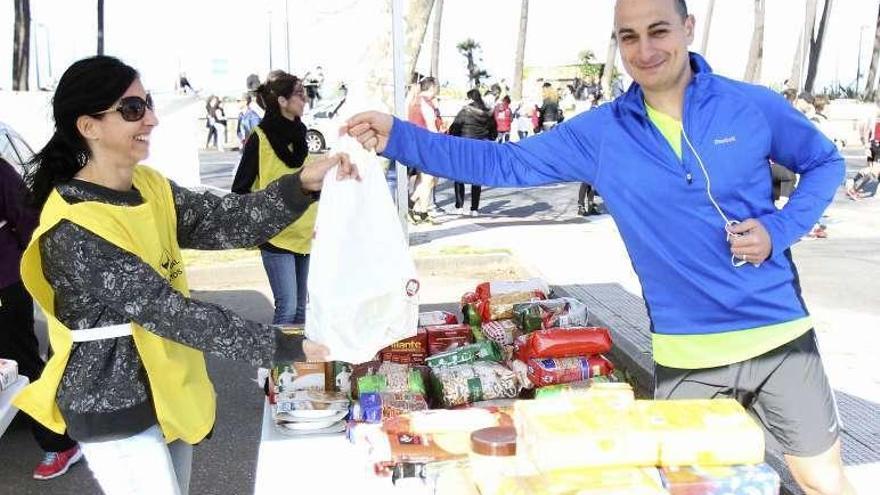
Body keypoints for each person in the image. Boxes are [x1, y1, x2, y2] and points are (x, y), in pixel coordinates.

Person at [345, 1, 854, 493]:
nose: (645, 49)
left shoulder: (751, 105)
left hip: (781, 337)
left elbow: (825, 162)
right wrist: (400, 138)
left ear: (688, 28)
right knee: (691, 490)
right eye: (628, 36)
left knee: (821, 482)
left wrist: (779, 231)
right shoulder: (602, 133)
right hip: (689, 355)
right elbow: (503, 164)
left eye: (659, 30)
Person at [14, 55, 354, 495]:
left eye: (148, 104)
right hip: (113, 405)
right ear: (88, 126)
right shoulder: (75, 226)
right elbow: (170, 312)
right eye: (133, 109)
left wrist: (302, 185)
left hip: (168, 389)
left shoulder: (150, 186)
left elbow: (226, 220)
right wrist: (288, 346)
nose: (152, 119)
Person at [1, 157, 82, 480]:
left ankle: (60, 443)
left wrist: (27, 264)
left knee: (20, 364)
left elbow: (27, 217)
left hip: (5, 282)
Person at [232, 71, 325, 326]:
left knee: (301, 311)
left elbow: (308, 183)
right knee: (287, 307)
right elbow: (240, 190)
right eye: (299, 94)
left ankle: (300, 366)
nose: (305, 99)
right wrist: (262, 218)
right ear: (282, 101)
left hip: (304, 234)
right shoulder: (259, 138)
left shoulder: (303, 136)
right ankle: (278, 365)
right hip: (275, 235)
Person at [448, 89, 496, 217]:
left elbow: (454, 129)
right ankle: (474, 209)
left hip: (464, 147)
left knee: (459, 176)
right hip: (480, 148)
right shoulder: (488, 113)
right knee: (476, 178)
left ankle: (459, 206)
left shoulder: (465, 112)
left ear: (470, 99)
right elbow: (494, 133)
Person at [406, 77, 444, 224]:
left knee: (423, 179)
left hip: (415, 143)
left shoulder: (413, 101)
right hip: (426, 145)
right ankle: (412, 204)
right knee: (430, 179)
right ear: (432, 88)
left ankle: (419, 210)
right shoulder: (426, 104)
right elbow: (431, 127)